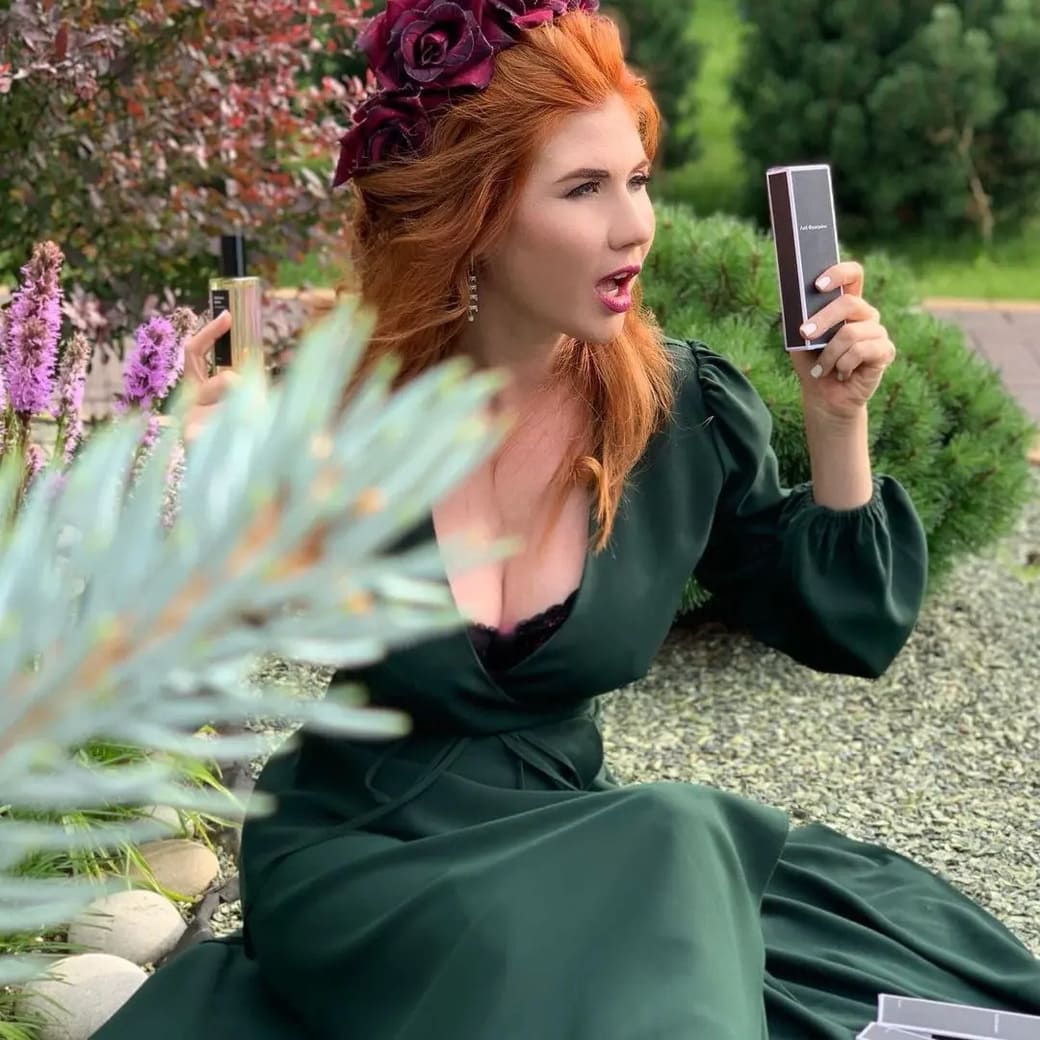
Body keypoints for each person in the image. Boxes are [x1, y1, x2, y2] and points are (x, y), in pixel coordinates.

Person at [95, 3, 1040, 1037]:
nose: (634, 225)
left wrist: (836, 421)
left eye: (637, 179)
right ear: (478, 214)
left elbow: (846, 623)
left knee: (705, 871)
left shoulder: (679, 414)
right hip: (363, 849)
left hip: (561, 822)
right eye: (584, 188)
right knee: (675, 841)